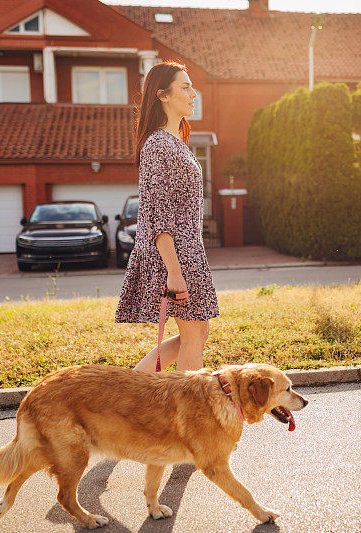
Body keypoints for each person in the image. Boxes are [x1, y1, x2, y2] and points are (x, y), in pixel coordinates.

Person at [114, 61, 219, 372]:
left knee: (196, 333)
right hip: (173, 255)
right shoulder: (158, 145)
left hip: (186, 252)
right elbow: (158, 214)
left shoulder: (175, 143)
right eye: (185, 87)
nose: (193, 93)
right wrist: (173, 271)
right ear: (163, 95)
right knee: (193, 334)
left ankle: (128, 391)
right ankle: (185, 411)